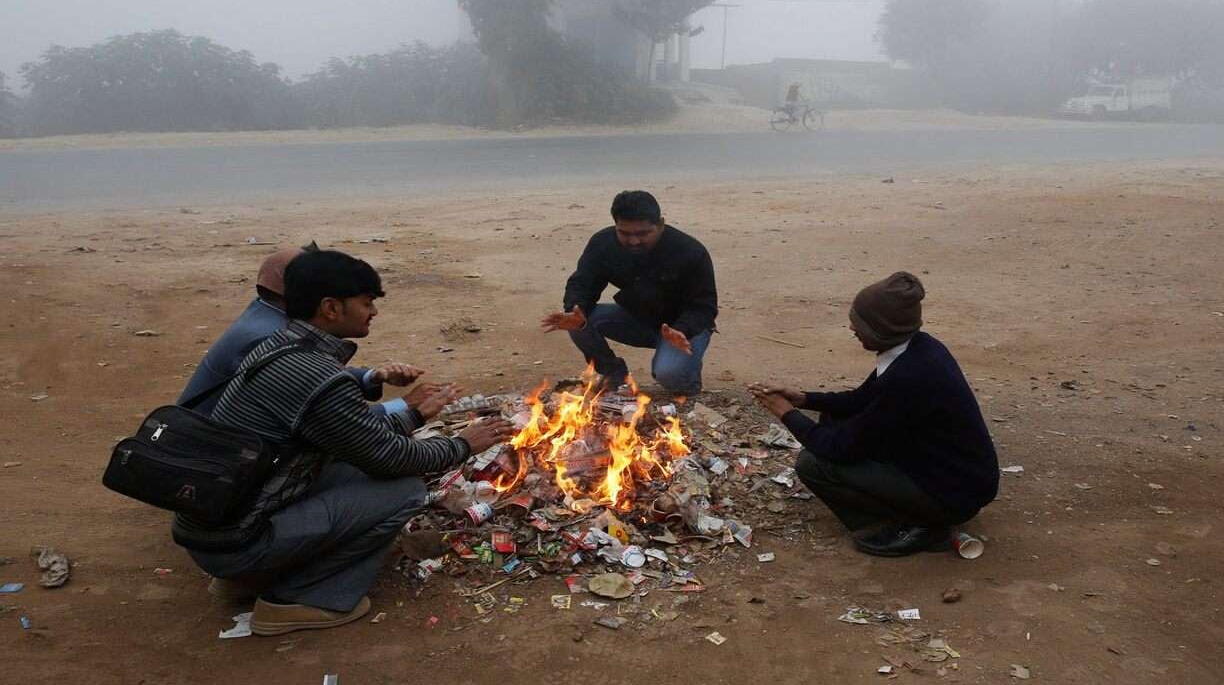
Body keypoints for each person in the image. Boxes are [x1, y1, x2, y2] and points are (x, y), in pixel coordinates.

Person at [176, 250, 514, 636]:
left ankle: (247, 579)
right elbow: (392, 457)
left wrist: (415, 416)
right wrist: (463, 445)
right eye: (367, 303)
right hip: (235, 540)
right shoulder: (315, 375)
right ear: (331, 308)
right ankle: (298, 599)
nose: (374, 312)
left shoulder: (279, 347)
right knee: (403, 491)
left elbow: (350, 433)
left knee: (352, 467)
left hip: (216, 529)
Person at [749, 272, 999, 557]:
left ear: (881, 330)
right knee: (831, 419)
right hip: (956, 477)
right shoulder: (919, 348)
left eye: (860, 325)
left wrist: (786, 413)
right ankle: (915, 511)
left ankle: (918, 526)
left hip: (953, 495)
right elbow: (862, 399)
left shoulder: (909, 377)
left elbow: (838, 449)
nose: (852, 329)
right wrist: (805, 399)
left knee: (813, 464)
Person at [177, 246, 422, 420]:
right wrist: (406, 406)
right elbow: (332, 420)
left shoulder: (267, 314)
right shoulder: (268, 337)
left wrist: (371, 376)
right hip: (216, 459)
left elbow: (315, 377)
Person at [541, 190, 717, 394]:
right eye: (625, 233)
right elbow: (583, 283)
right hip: (640, 319)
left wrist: (682, 329)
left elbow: (704, 307)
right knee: (579, 321)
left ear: (660, 224)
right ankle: (614, 375)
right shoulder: (603, 244)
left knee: (670, 375)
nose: (634, 241)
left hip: (683, 330)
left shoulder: (690, 251)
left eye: (642, 234)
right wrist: (574, 309)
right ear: (615, 225)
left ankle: (688, 383)